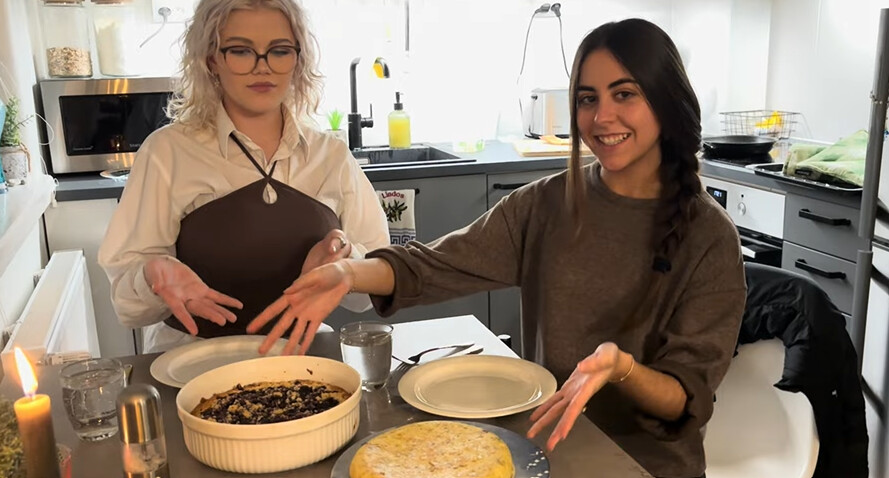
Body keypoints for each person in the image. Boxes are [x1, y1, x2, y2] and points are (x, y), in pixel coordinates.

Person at [249, 18, 745, 478]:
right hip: (546, 445)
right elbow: (436, 266)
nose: (601, 116)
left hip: (644, 464)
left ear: (665, 99)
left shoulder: (710, 237)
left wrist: (622, 367)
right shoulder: (547, 203)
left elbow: (684, 398)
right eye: (587, 98)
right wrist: (350, 274)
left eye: (625, 94)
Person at [98, 0, 389, 354]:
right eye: (241, 51)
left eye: (279, 51)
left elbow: (374, 287)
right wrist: (154, 274)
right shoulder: (167, 153)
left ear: (298, 60)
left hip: (303, 359)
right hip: (192, 362)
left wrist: (345, 263)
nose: (262, 67)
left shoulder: (331, 156)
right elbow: (127, 306)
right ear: (211, 59)